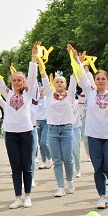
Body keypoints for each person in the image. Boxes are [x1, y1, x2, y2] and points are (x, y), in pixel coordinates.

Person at [73, 45, 108, 209]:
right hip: (94, 134)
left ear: (107, 80)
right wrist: (78, 61)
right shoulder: (89, 91)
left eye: (103, 78)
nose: (100, 81)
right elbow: (81, 76)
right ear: (94, 81)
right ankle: (101, 196)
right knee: (98, 167)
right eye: (97, 78)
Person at [0, 44, 38, 209]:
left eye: (19, 80)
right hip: (10, 134)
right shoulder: (7, 93)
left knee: (27, 166)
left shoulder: (28, 93)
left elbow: (33, 74)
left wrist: (34, 57)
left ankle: (28, 196)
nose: (16, 82)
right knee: (15, 167)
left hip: (27, 133)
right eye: (14, 80)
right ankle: (17, 196)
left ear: (24, 82)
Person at [39, 63, 77, 197]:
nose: (59, 83)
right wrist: (39, 62)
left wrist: (76, 61)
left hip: (67, 130)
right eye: (57, 82)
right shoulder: (49, 95)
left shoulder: (70, 95)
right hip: (53, 131)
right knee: (57, 160)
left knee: (67, 158)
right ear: (53, 84)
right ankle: (60, 186)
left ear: (65, 85)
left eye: (62, 82)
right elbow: (43, 76)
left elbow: (74, 78)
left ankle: (70, 181)